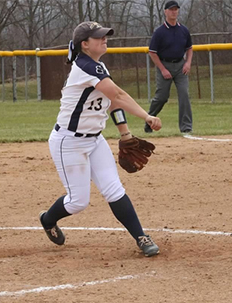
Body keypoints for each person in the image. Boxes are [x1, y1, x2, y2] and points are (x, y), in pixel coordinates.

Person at [39, 21, 162, 257]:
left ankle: (141, 238)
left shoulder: (97, 66)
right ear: (85, 44)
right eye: (99, 37)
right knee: (78, 202)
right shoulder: (85, 66)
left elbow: (112, 101)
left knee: (114, 189)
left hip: (95, 140)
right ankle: (48, 219)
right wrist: (146, 116)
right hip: (69, 142)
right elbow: (118, 94)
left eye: (105, 36)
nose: (105, 39)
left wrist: (124, 132)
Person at [144, 0, 193, 134]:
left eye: (176, 9)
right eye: (171, 9)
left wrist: (188, 63)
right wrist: (163, 69)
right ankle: (149, 120)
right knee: (162, 97)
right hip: (164, 64)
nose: (174, 12)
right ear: (165, 12)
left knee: (184, 94)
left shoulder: (183, 30)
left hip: (180, 65)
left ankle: (186, 127)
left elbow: (189, 48)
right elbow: (152, 52)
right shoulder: (160, 32)